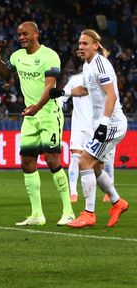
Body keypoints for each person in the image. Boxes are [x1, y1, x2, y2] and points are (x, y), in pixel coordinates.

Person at [0, 21, 74, 226]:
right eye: (19, 35)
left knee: (52, 159)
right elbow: (4, 74)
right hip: (30, 115)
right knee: (27, 162)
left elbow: (49, 87)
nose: (21, 38)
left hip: (48, 114)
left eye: (25, 34)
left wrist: (37, 107)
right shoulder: (17, 56)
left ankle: (68, 211)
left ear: (36, 34)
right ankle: (37, 214)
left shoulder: (49, 56)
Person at [49, 29, 129, 227]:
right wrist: (63, 92)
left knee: (84, 161)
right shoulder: (88, 65)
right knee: (96, 167)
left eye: (85, 43)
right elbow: (85, 89)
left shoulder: (101, 64)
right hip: (105, 124)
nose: (80, 47)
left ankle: (89, 214)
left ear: (96, 45)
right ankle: (118, 202)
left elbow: (111, 95)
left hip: (112, 124)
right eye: (79, 44)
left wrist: (102, 125)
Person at [57, 64, 92, 203]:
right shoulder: (75, 80)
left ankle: (107, 191)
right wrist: (56, 110)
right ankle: (73, 192)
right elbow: (62, 97)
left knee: (98, 162)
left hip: (96, 126)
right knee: (76, 157)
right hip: (79, 125)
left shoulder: (100, 80)